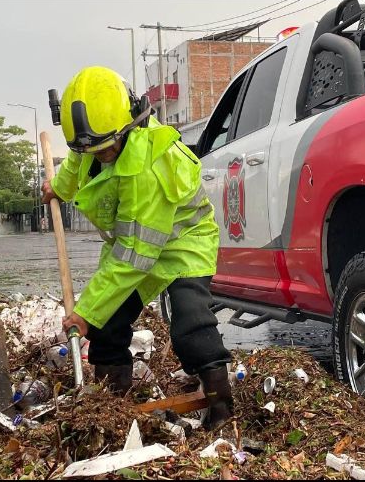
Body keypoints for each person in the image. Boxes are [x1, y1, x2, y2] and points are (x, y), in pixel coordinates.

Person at [42, 66, 233, 431]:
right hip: (136, 247)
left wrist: (84, 312)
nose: (103, 156)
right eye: (93, 150)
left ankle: (221, 406)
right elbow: (77, 165)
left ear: (131, 124)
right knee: (107, 323)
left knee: (191, 324)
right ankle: (111, 404)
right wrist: (58, 189)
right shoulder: (96, 139)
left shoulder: (151, 167)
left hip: (182, 244)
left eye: (108, 149)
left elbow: (134, 256)